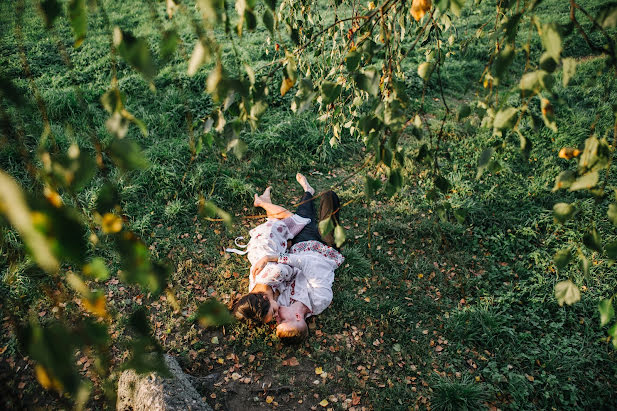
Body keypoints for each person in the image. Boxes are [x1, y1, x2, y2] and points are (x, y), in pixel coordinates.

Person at [240, 173, 344, 343]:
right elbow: (310, 264)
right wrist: (274, 257)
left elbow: (264, 289)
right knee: (328, 202)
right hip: (323, 250)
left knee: (303, 218)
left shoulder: (282, 301)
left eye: (277, 322)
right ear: (297, 316)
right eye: (282, 321)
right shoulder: (321, 299)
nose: (277, 319)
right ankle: (322, 199)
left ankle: (308, 190)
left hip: (299, 248)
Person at [230, 186, 310, 324]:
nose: (276, 314)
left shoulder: (276, 273)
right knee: (275, 218)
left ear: (265, 299)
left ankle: (261, 202)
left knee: (295, 220)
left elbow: (293, 270)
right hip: (259, 250)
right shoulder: (253, 293)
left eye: (273, 312)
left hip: (269, 239)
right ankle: (266, 200)